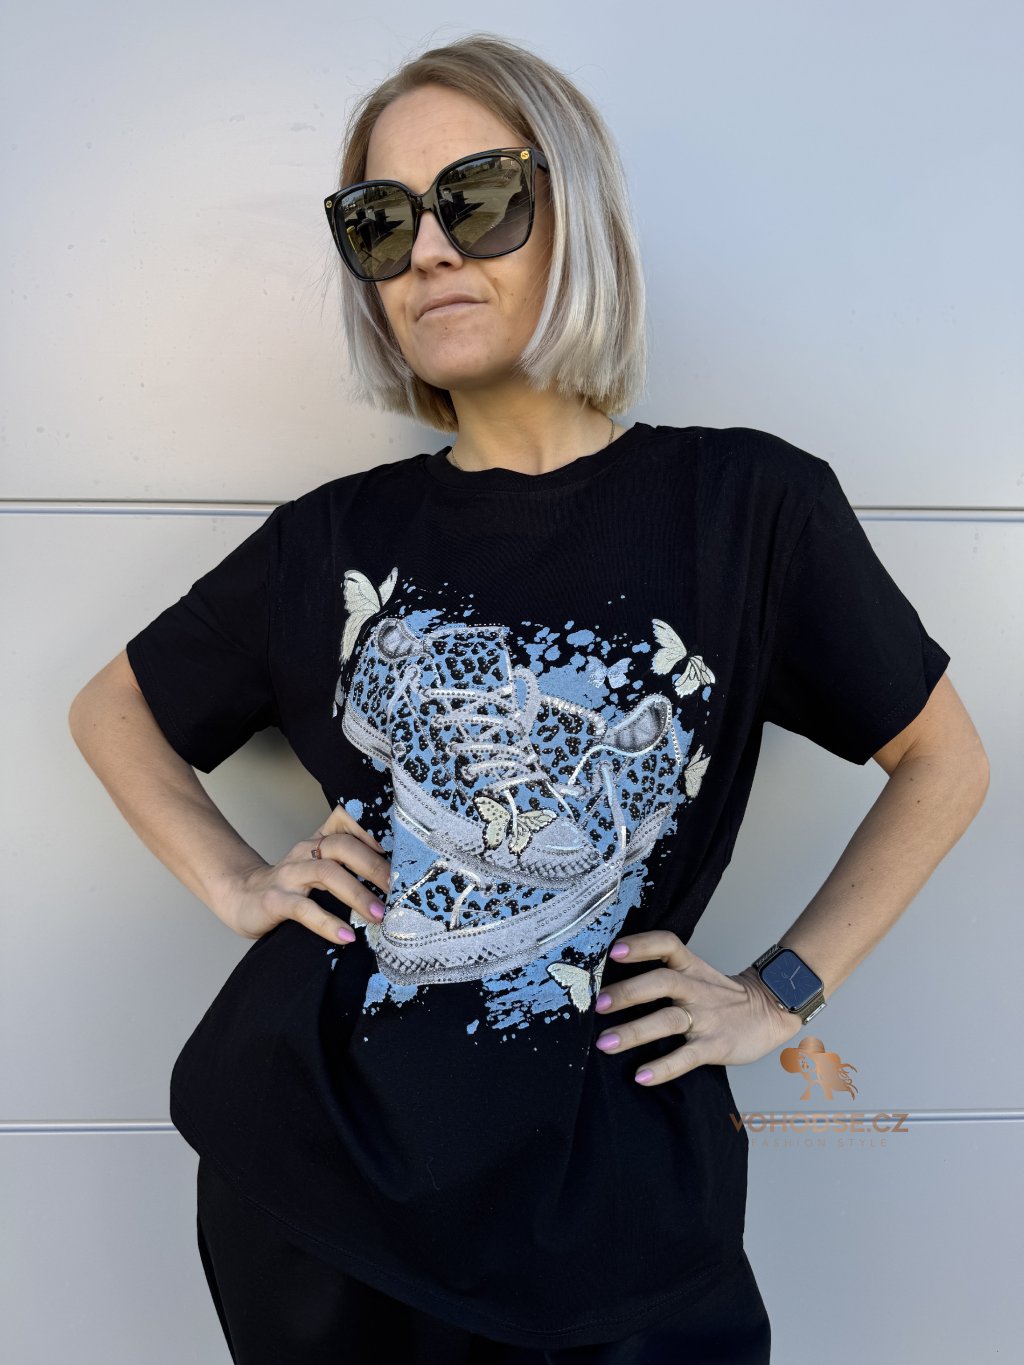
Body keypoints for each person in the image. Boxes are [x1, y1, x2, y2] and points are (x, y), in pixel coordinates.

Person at [68, 30, 989, 1365]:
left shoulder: (748, 508)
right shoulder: (331, 539)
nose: (430, 250)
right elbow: (113, 709)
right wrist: (236, 882)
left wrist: (782, 990)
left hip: (612, 1199)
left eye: (479, 196)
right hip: (318, 1189)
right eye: (381, 222)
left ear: (577, 212)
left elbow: (945, 760)